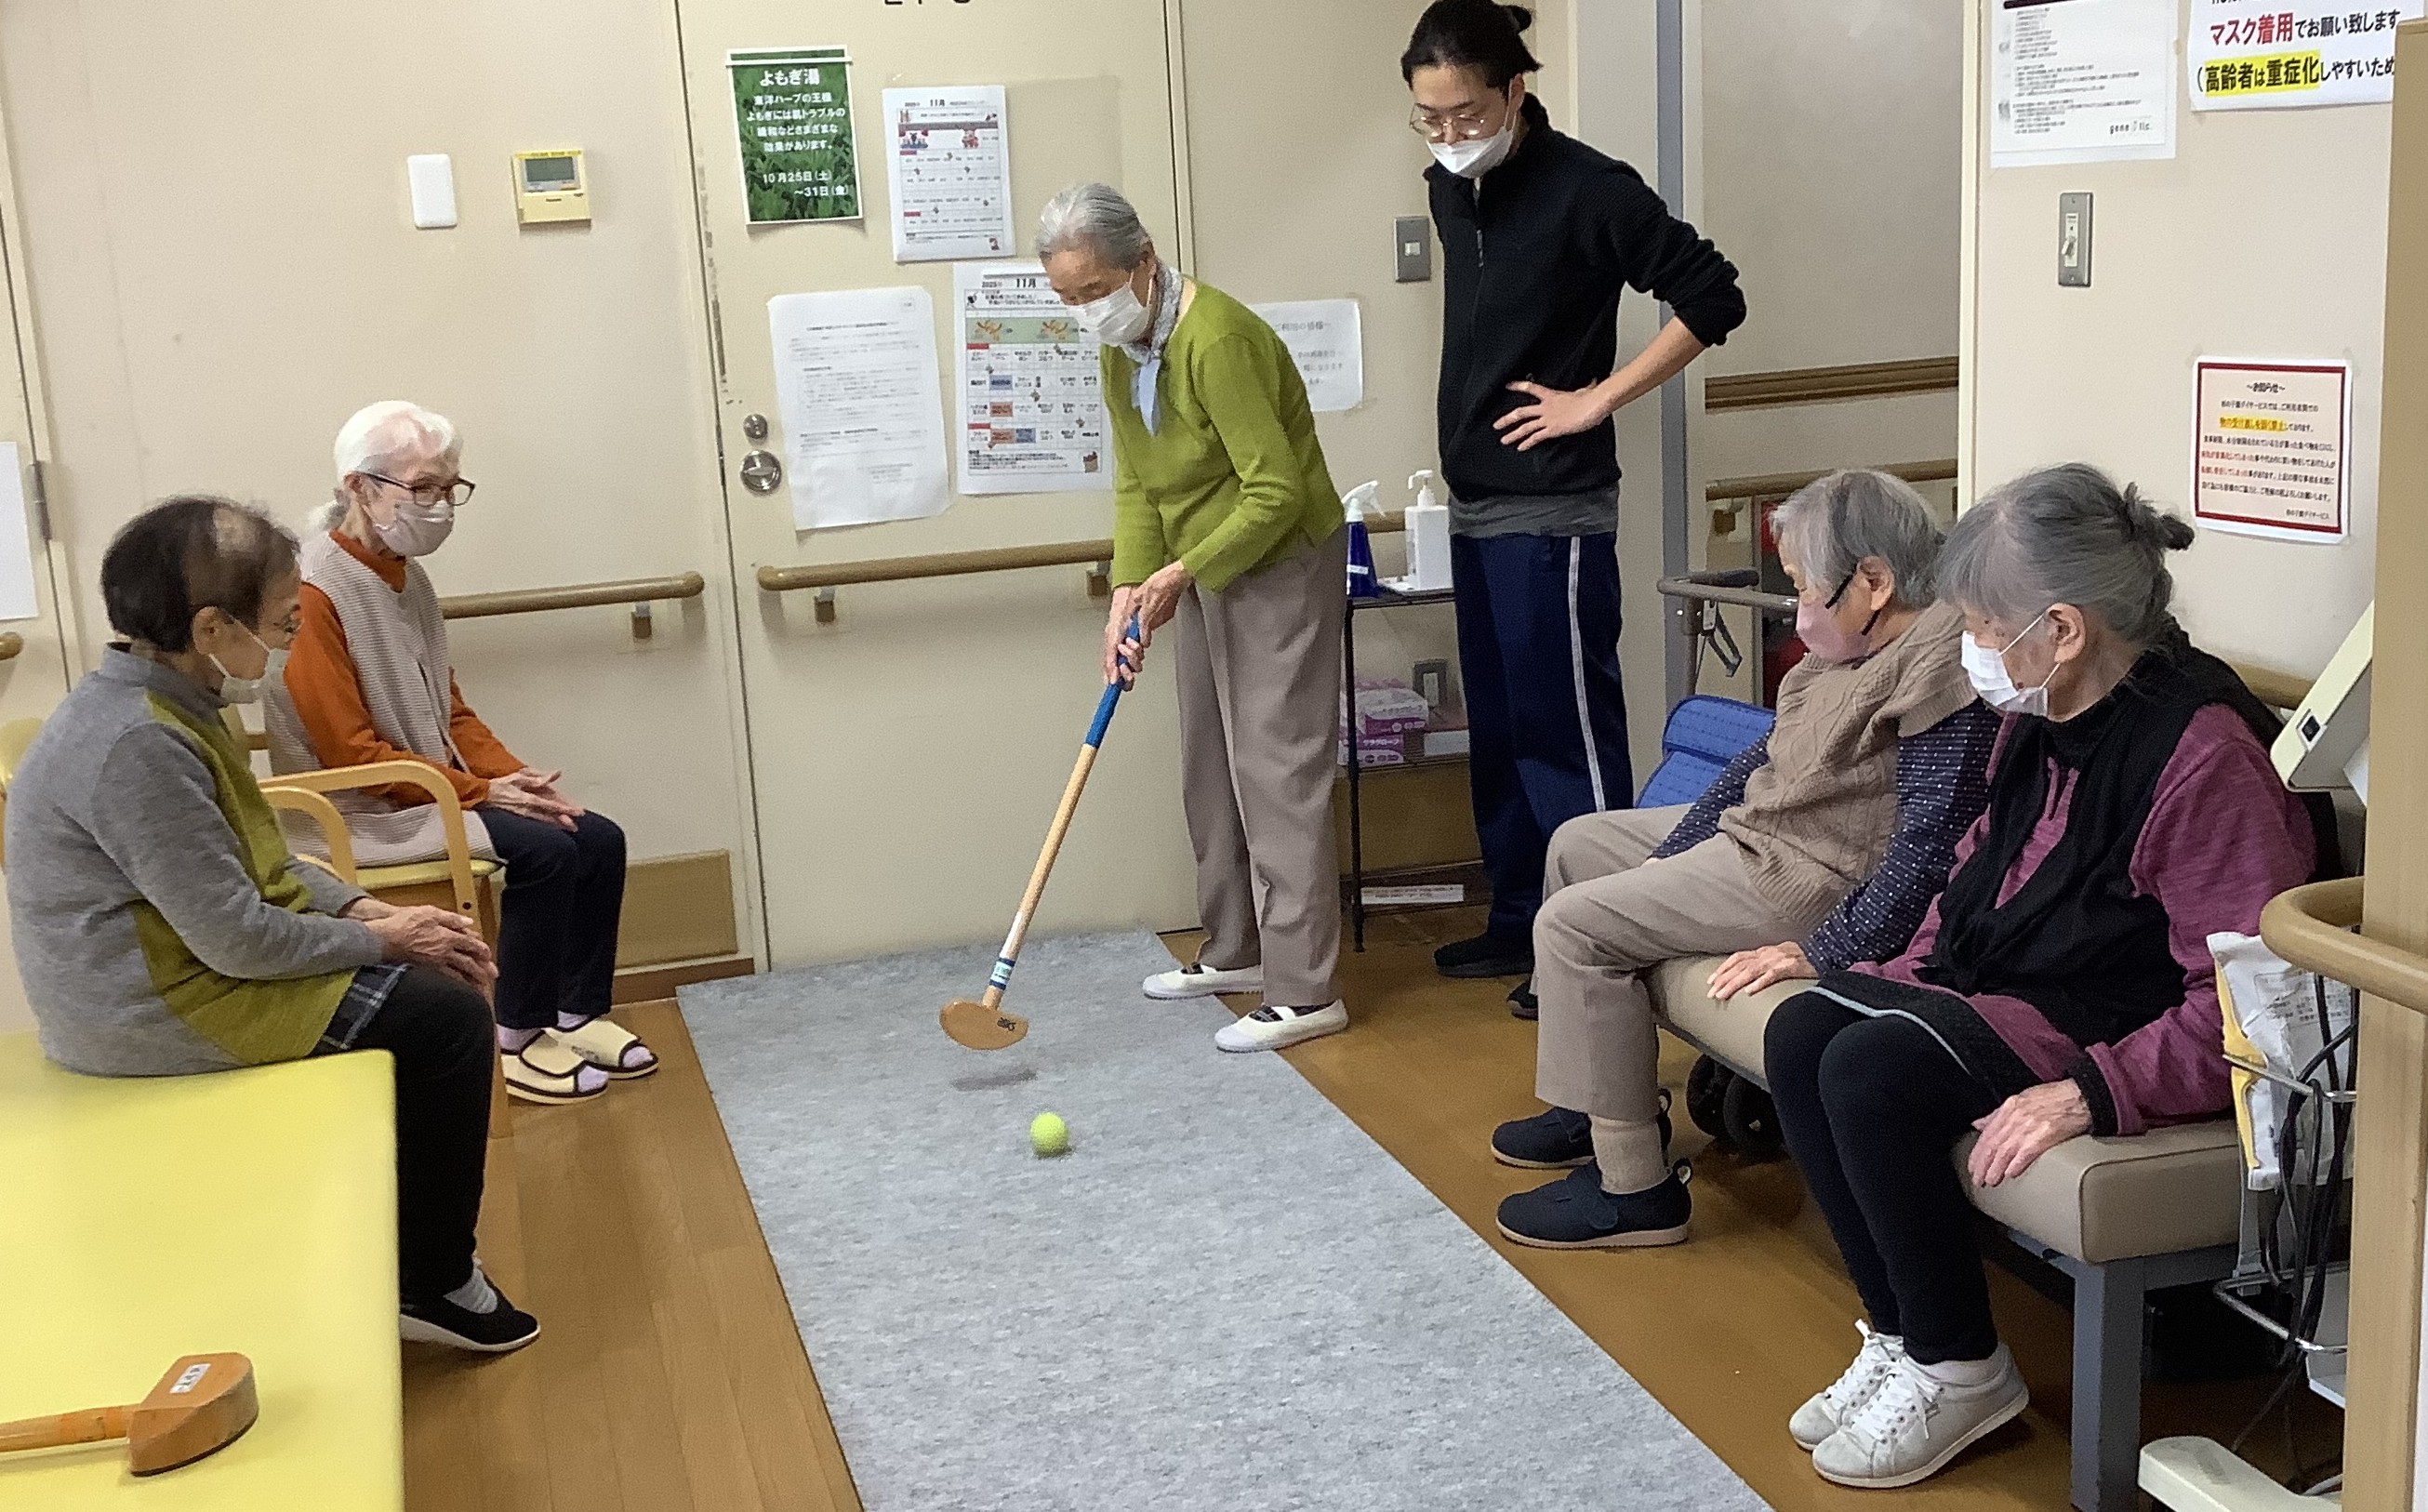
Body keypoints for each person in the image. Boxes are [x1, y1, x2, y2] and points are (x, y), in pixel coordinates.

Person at [1764, 465, 2331, 1490]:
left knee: (1869, 1072)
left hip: (2125, 1021)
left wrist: (2096, 1091)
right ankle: (1904, 1334)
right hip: (2027, 984)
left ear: (2062, 629)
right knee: (1804, 1029)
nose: (1972, 648)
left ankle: (1959, 1365)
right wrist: (1896, 969)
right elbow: (1980, 862)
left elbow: (2255, 1001)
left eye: (1982, 626)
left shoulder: (2205, 755)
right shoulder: (2048, 711)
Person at [5, 495, 537, 1351]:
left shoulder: (174, 703)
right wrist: (386, 936)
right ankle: (432, 1282)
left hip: (181, 967)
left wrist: (364, 907)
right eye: (282, 621)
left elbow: (265, 866)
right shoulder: (139, 743)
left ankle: (398, 1258)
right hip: (146, 1010)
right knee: (444, 1021)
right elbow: (237, 939)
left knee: (427, 980)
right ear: (212, 628)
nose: (290, 635)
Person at [1486, 471, 1998, 1250]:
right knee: (1578, 844)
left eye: (1801, 588)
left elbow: (1928, 848)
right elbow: (1752, 765)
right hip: (1761, 833)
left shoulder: (1938, 670)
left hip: (1808, 881)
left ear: (1873, 581)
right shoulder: (1846, 647)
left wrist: (1826, 951)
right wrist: (1672, 855)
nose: (1795, 611)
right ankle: (1593, 1105)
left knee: (1571, 927)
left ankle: (1633, 1189)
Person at [1403, 0, 1747, 988]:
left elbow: (1713, 296)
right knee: (1502, 732)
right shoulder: (1447, 188)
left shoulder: (1589, 189)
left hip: (1553, 510)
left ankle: (1595, 939)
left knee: (1567, 739)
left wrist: (1596, 399)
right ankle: (1520, 918)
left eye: (1467, 114)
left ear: (1517, 89)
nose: (1451, 138)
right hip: (1476, 504)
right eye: (1430, 119)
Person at [1037, 182, 1349, 1054]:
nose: (1084, 311)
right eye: (1067, 298)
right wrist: (1127, 591)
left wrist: (1179, 574)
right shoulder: (1123, 345)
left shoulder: (1216, 339)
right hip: (1200, 560)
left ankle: (1306, 988)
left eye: (1093, 290)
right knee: (1209, 759)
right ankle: (1236, 949)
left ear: (1143, 262)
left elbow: (1275, 491)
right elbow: (1137, 481)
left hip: (1279, 558)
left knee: (1276, 768)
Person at [266, 401, 645, 1105]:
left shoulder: (404, 574)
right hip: (361, 808)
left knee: (594, 836)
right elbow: (350, 755)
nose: (440, 505)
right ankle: (517, 1035)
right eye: (423, 488)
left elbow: (449, 709)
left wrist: (515, 778)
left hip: (422, 785)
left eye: (449, 488)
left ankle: (574, 1011)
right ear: (361, 487)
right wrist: (484, 794)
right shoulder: (315, 592)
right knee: (546, 852)